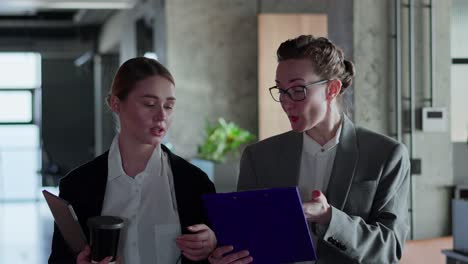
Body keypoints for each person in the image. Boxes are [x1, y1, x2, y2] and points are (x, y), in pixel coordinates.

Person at [209, 35, 410, 264]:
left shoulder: (386, 155)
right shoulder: (259, 157)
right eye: (281, 91)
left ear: (332, 89)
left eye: (297, 90)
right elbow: (246, 241)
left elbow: (390, 249)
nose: (286, 102)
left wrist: (328, 217)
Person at [49, 57, 217, 264]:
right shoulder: (77, 186)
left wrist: (212, 245)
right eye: (149, 104)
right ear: (116, 104)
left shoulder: (195, 183)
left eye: (169, 106)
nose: (161, 115)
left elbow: (221, 256)